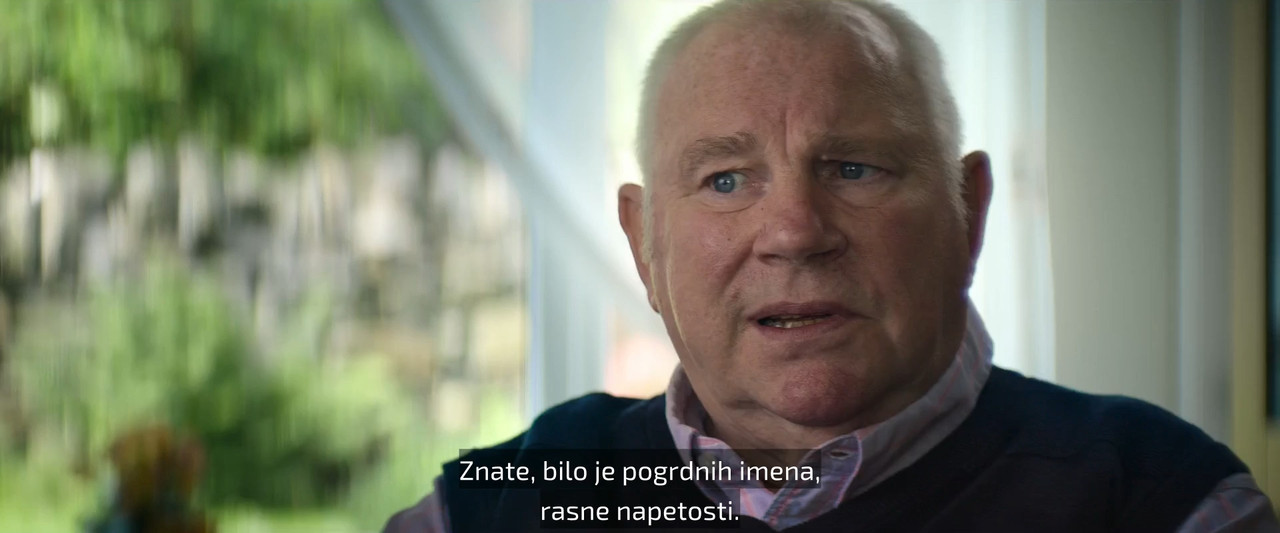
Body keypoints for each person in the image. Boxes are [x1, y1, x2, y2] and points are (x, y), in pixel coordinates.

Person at [386, 0, 1279, 530]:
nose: (794, 230)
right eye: (725, 179)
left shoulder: (1163, 499)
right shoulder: (495, 506)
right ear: (643, 242)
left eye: (854, 168)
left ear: (968, 212)